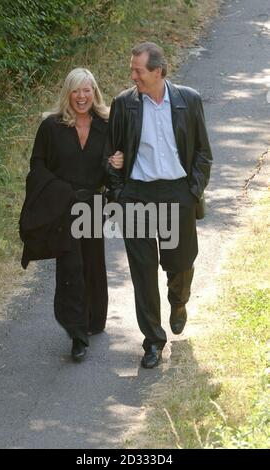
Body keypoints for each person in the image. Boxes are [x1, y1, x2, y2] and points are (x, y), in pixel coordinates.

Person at [105, 42, 212, 368]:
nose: (132, 75)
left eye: (138, 70)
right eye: (132, 69)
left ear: (158, 71)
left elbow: (203, 153)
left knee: (180, 263)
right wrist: (118, 184)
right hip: (136, 194)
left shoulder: (187, 100)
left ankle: (178, 301)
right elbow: (109, 156)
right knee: (142, 272)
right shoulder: (124, 105)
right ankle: (153, 341)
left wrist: (192, 190)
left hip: (177, 191)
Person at [19, 68, 123, 361]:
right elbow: (37, 166)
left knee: (91, 263)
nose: (81, 96)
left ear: (95, 93)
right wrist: (60, 191)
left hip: (92, 206)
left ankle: (92, 320)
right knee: (71, 267)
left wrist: (116, 163)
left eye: (87, 90)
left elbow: (114, 166)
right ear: (67, 93)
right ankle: (77, 334)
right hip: (63, 206)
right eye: (76, 91)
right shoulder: (51, 127)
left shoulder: (106, 124)